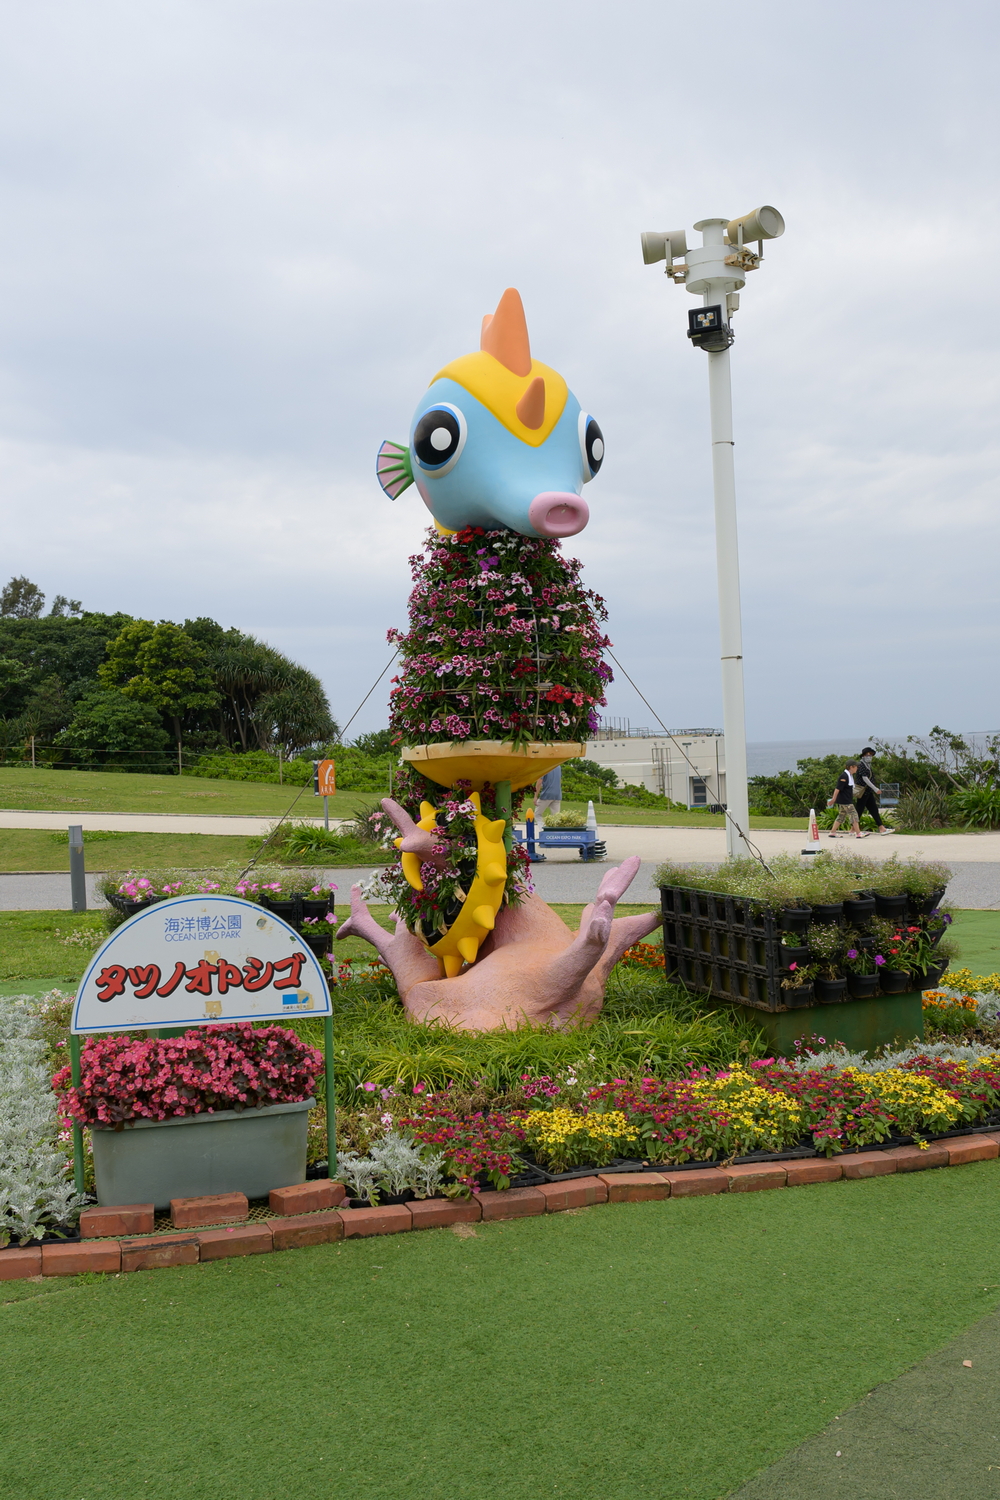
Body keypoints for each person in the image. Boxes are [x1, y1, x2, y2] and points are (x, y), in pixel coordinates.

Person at [856, 746, 894, 834]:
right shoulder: (861, 765)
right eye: (867, 755)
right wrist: (875, 788)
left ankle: (881, 827)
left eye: (871, 755)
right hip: (863, 791)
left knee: (873, 809)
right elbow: (865, 778)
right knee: (859, 810)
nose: (869, 757)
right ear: (863, 756)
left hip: (868, 791)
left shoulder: (867, 766)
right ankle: (853, 829)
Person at [828, 761, 868, 838]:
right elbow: (837, 788)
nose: (857, 768)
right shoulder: (844, 776)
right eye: (856, 767)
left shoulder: (849, 776)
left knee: (841, 816)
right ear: (851, 767)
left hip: (845, 800)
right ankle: (858, 833)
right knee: (854, 815)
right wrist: (833, 799)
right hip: (845, 800)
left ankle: (832, 832)